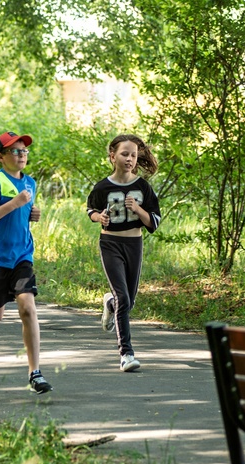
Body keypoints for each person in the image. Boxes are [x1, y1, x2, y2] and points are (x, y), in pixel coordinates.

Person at [0, 131, 52, 395]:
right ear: (1, 157)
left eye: (24, 151)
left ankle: (35, 373)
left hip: (21, 256)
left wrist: (31, 213)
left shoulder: (31, 183)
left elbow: (23, 213)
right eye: (15, 151)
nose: (21, 155)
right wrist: (15, 204)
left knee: (27, 307)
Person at [86, 134, 161, 372]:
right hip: (110, 244)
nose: (129, 159)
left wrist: (138, 209)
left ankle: (110, 305)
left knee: (128, 302)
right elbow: (91, 210)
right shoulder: (102, 187)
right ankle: (126, 354)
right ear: (112, 157)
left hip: (134, 245)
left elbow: (155, 222)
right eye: (124, 154)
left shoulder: (142, 187)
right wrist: (99, 217)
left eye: (133, 155)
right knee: (124, 298)